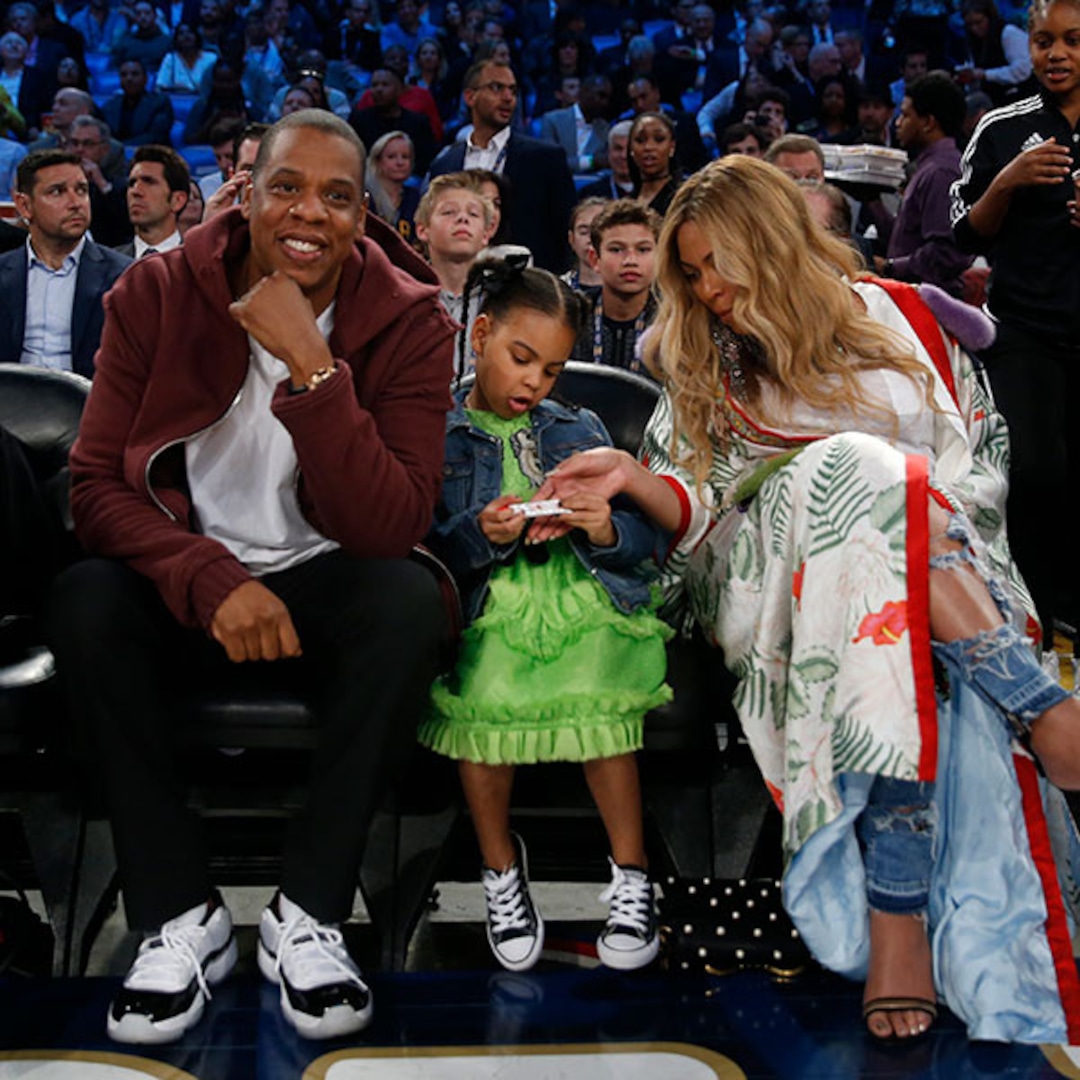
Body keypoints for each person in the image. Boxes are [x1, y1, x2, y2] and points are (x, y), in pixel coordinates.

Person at [540, 151, 1080, 1044]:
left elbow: (977, 475)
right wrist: (637, 475)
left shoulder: (903, 317)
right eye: (694, 271)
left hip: (930, 575)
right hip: (767, 576)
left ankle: (895, 917)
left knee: (885, 545)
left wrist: (900, 518)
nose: (708, 287)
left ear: (774, 241)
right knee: (854, 471)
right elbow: (702, 517)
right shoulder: (703, 363)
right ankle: (1042, 707)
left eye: (721, 262)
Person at [46, 109, 455, 1044]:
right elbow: (98, 486)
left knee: (404, 603)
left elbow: (391, 525)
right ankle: (178, 914)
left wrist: (315, 368)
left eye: (339, 196)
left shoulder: (411, 317)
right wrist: (207, 576)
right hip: (190, 581)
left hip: (328, 579)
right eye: (287, 187)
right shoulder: (154, 293)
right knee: (86, 600)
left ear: (365, 213)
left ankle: (307, 911)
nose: (310, 212)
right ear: (245, 190)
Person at [419, 255, 670, 974]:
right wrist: (481, 533)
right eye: (521, 359)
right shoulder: (437, 431)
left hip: (585, 595)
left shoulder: (582, 424)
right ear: (482, 335)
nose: (534, 382)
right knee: (483, 690)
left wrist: (602, 528)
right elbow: (425, 553)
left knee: (599, 680)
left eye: (552, 370)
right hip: (491, 599)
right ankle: (500, 870)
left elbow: (643, 542)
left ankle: (632, 874)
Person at [950, 0, 1080, 669]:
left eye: (1073, 41)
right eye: (1043, 41)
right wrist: (1008, 181)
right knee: (1031, 470)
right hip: (1026, 330)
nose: (1056, 54)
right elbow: (964, 231)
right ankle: (1037, 617)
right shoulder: (1002, 127)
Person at [426, 58, 577, 273]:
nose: (508, 98)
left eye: (513, 91)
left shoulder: (545, 158)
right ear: (470, 97)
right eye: (496, 88)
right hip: (460, 282)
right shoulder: (445, 165)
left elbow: (565, 231)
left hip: (527, 285)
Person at [0, 149, 131, 377]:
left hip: (87, 407)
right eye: (57, 192)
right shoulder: (3, 273)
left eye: (81, 190)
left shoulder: (124, 276)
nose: (75, 203)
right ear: (24, 206)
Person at [868, 71, 974, 296]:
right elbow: (908, 239)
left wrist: (889, 268)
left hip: (931, 305)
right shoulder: (931, 167)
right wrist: (872, 199)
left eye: (905, 115)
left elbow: (948, 253)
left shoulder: (941, 172)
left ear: (928, 122)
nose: (897, 123)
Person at [414, 171, 495, 381]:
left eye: (473, 214)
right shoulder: (406, 297)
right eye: (449, 212)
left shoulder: (503, 300)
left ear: (486, 235)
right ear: (423, 230)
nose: (462, 218)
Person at [570, 198, 660, 377]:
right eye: (617, 250)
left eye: (642, 250)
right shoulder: (572, 317)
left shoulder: (674, 322)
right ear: (595, 259)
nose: (630, 261)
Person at [953, 0, 1034, 107]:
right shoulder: (973, 41)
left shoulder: (1008, 33)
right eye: (969, 25)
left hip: (1022, 97)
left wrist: (985, 74)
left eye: (978, 22)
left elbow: (1022, 71)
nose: (974, 28)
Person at [118, 144, 191, 258]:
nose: (135, 191)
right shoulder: (108, 267)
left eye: (148, 182)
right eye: (132, 183)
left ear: (177, 200)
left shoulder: (196, 262)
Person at [364, 129, 420, 248]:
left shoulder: (416, 198)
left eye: (405, 157)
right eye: (391, 157)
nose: (400, 162)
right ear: (378, 161)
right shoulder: (365, 197)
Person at [627, 110, 681, 217]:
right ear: (631, 149)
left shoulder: (683, 198)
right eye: (640, 140)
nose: (648, 147)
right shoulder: (626, 203)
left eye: (659, 139)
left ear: (672, 147)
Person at [155, 23, 217, 94]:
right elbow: (159, 87)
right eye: (181, 33)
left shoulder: (211, 58)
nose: (186, 36)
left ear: (196, 36)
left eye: (190, 32)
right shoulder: (171, 59)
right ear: (176, 39)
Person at [562, 194, 607, 290]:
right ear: (571, 239)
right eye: (584, 232)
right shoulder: (556, 289)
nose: (591, 239)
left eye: (600, 230)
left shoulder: (634, 288)